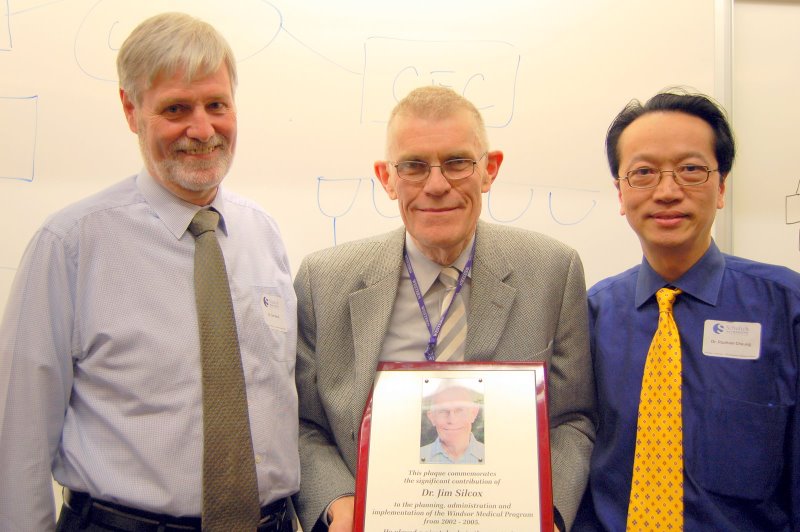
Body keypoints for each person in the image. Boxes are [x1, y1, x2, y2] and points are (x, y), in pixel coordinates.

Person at [0, 12, 298, 532]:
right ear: (130, 109)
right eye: (176, 109)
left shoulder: (263, 234)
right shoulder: (70, 245)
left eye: (216, 105)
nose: (202, 130)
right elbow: (18, 438)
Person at [293, 85, 595, 532]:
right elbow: (304, 423)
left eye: (457, 162)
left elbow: (572, 420)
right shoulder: (323, 281)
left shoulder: (553, 272)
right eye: (414, 166)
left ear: (489, 170)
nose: (436, 186)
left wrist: (546, 513)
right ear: (387, 178)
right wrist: (339, 501)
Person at [575, 90, 800, 531]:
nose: (667, 191)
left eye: (691, 170)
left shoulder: (785, 307)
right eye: (643, 173)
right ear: (620, 193)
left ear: (721, 187)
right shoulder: (592, 315)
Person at [420, 380, 485, 465]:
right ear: (432, 417)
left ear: (473, 413)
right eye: (443, 411)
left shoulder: (493, 456)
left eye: (459, 410)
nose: (452, 420)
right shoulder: (416, 456)